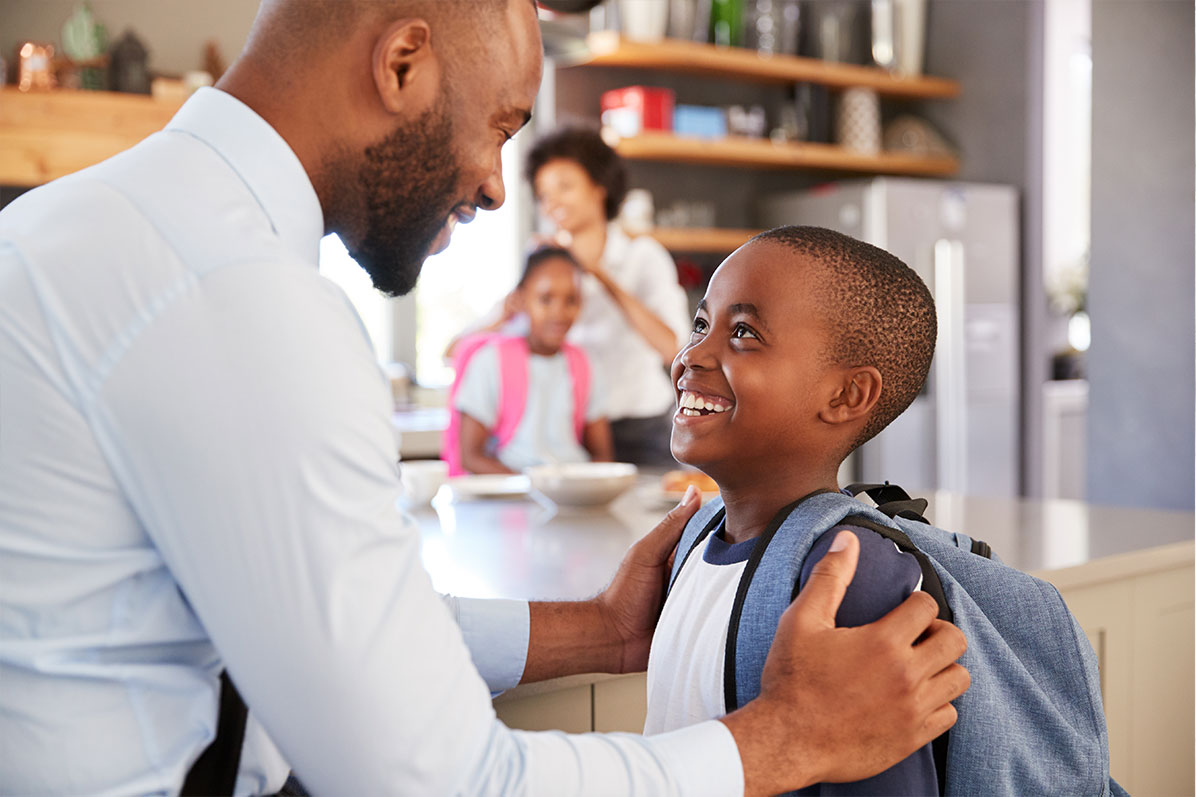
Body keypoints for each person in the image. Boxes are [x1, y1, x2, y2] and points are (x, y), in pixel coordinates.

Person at [0, 2, 970, 794]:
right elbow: (449, 781)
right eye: (501, 124)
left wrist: (599, 628)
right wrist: (781, 741)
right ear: (402, 63)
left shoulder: (92, 225)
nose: (496, 189)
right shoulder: (235, 296)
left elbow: (311, 613)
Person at [645, 226, 942, 792]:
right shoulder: (694, 538)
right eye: (702, 324)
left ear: (846, 396)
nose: (690, 355)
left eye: (743, 333)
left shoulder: (849, 576)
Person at [451, 127, 690, 465]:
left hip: (641, 428)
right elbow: (476, 347)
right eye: (544, 194)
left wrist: (599, 274)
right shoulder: (543, 261)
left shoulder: (642, 256)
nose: (553, 204)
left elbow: (674, 347)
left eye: (565, 186)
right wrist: (521, 297)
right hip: (571, 434)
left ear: (598, 187)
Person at [449, 245, 613, 474]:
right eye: (546, 299)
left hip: (571, 493)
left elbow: (602, 455)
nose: (559, 312)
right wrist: (533, 489)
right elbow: (470, 457)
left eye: (571, 300)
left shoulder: (586, 364)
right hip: (512, 496)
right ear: (521, 300)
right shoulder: (491, 361)